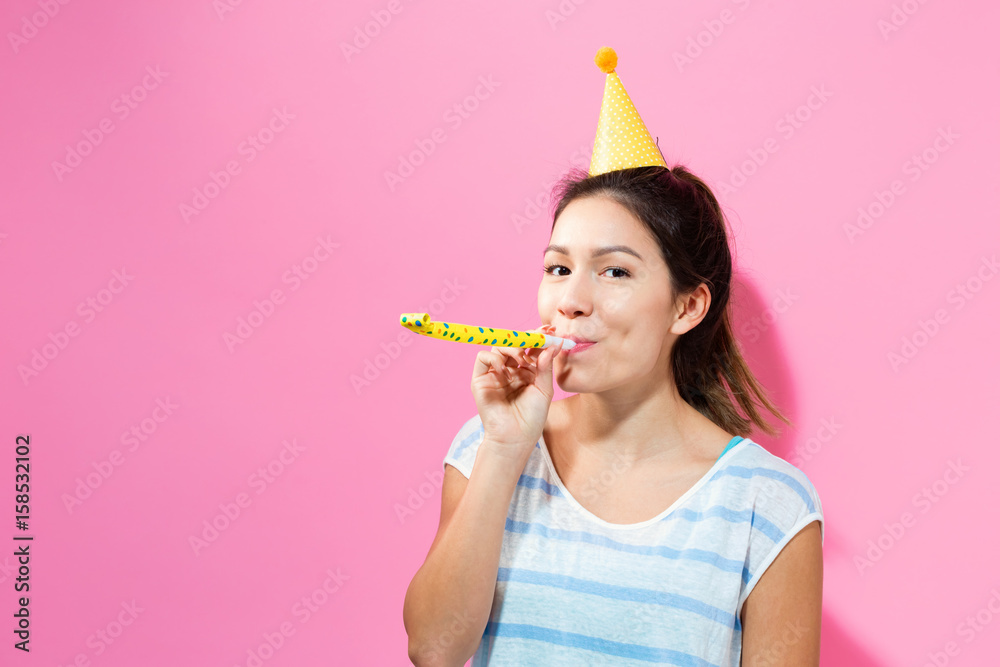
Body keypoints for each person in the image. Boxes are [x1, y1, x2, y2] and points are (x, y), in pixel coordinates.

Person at [403, 164, 824, 666]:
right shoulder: (486, 447)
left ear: (687, 306)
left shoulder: (770, 504)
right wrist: (504, 449)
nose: (571, 302)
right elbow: (433, 650)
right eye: (559, 269)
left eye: (615, 271)